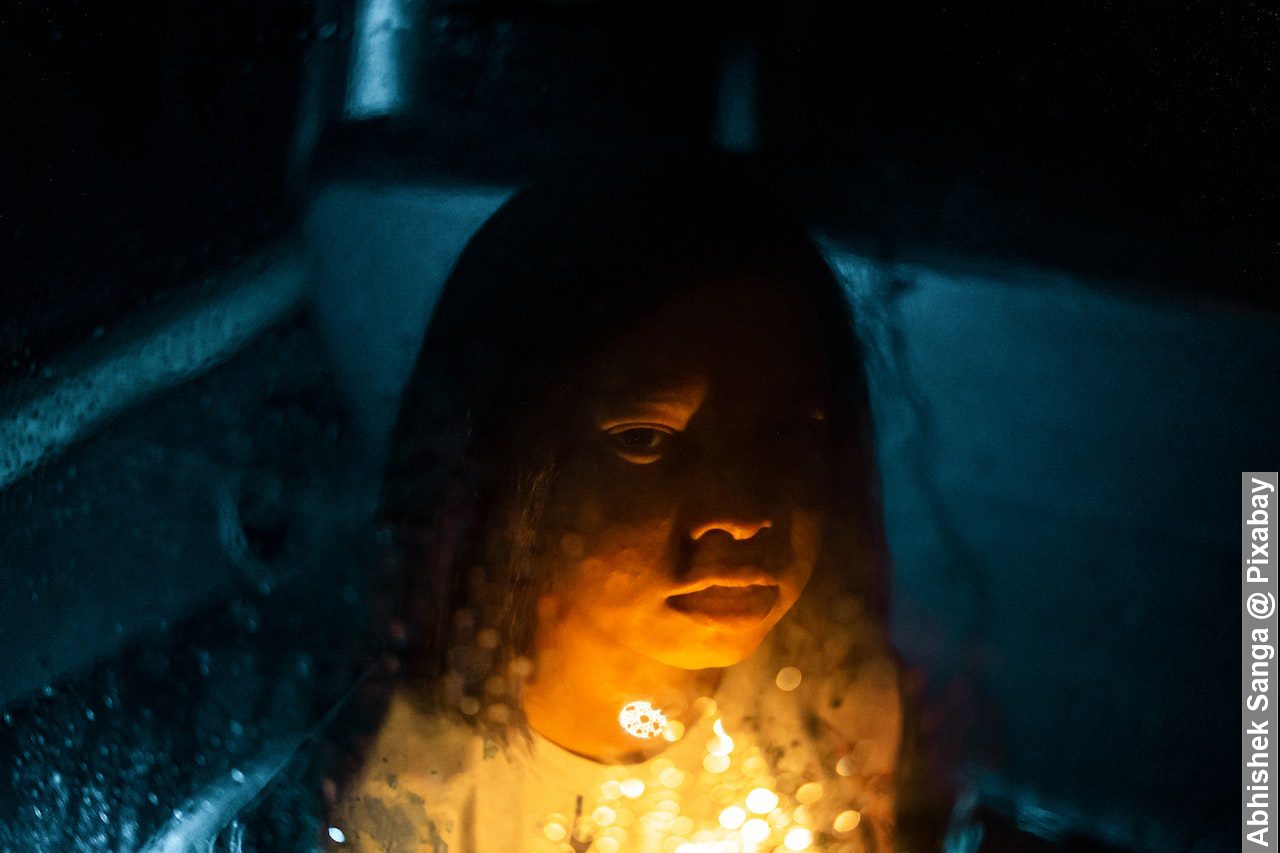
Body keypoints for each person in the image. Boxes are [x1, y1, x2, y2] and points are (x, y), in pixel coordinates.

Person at [327, 159, 944, 852]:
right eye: (646, 439)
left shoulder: (831, 710)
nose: (741, 510)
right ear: (508, 467)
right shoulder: (418, 797)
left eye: (785, 433)